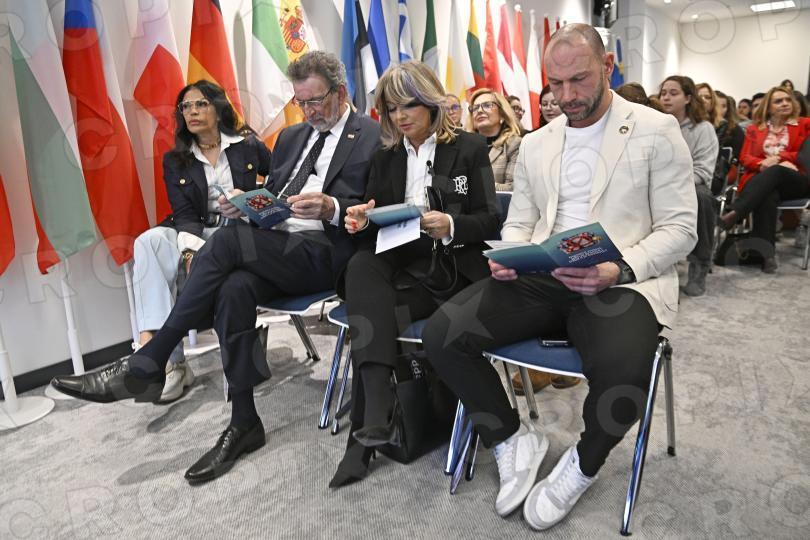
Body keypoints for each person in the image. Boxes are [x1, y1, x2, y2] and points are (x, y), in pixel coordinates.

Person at [50, 50, 381, 483]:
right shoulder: (291, 137)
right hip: (276, 243)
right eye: (301, 102)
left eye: (316, 101)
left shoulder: (373, 135)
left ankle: (151, 358)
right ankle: (244, 421)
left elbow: (381, 210)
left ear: (341, 92)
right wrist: (245, 206)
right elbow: (275, 195)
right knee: (233, 287)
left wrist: (332, 207)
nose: (309, 111)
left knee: (226, 240)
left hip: (327, 250)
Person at [422, 23, 697, 531]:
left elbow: (681, 230)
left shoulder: (656, 130)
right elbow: (521, 220)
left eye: (579, 79)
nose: (567, 95)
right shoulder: (539, 142)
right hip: (544, 274)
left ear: (607, 67)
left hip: (624, 280)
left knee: (624, 377)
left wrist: (618, 268)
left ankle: (583, 464)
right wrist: (510, 254)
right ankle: (510, 438)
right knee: (444, 334)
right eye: (556, 83)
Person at [329, 60, 499, 488]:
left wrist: (451, 224)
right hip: (400, 261)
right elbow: (375, 220)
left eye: (408, 105)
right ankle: (377, 405)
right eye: (391, 109)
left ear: (430, 102)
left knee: (373, 317)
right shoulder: (385, 157)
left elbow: (490, 220)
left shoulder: (469, 147)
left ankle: (363, 437)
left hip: (449, 267)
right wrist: (361, 219)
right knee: (361, 265)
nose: (400, 116)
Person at [137, 80, 273, 403]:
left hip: (240, 233)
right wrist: (189, 252)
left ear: (218, 107)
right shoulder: (176, 160)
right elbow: (184, 215)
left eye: (200, 104)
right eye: (186, 106)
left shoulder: (248, 145)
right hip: (196, 231)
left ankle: (156, 354)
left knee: (221, 250)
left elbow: (278, 184)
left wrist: (249, 202)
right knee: (148, 242)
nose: (192, 112)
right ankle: (167, 358)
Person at [720, 86, 810, 273]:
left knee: (775, 172)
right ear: (768, 107)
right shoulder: (755, 129)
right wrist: (761, 164)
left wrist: (779, 158)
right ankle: (767, 256)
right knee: (768, 194)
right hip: (763, 181)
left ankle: (735, 213)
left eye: (787, 100)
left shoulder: (804, 124)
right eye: (778, 101)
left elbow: (804, 155)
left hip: (797, 179)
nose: (785, 103)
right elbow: (745, 157)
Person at [659, 75, 718, 297]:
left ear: (688, 98)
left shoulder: (703, 129)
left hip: (691, 185)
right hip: (659, 184)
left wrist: (670, 184)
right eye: (663, 93)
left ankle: (700, 265)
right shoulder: (654, 126)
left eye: (673, 93)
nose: (666, 98)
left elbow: (703, 171)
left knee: (702, 198)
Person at [466, 88, 522, 191]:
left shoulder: (514, 144)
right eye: (475, 108)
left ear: (502, 114)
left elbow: (513, 188)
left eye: (487, 105)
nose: (479, 111)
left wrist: (475, 186)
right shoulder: (464, 146)